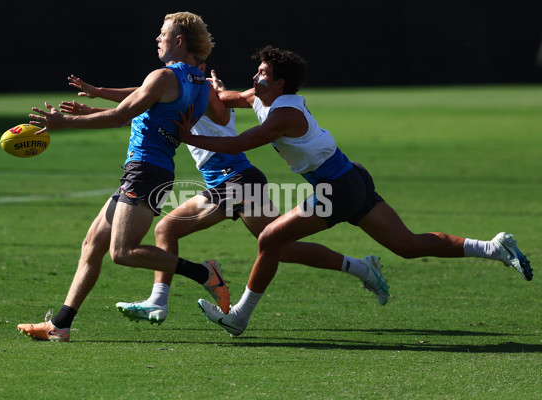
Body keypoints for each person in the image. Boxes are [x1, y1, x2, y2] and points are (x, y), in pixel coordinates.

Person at [174, 45, 533, 337]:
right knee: (407, 246)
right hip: (352, 177)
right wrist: (214, 89)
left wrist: (188, 136)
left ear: (280, 83)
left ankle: (239, 317)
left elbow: (238, 144)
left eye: (263, 73)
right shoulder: (264, 97)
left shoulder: (285, 114)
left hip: (337, 189)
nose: (255, 77)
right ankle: (493, 247)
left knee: (269, 240)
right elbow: (235, 97)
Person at [61, 71, 389, 326]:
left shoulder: (199, 92)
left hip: (237, 180)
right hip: (233, 181)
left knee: (167, 230)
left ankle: (159, 302)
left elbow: (145, 99)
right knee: (282, 249)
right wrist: (97, 103)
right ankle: (360, 267)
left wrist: (101, 95)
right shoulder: (189, 93)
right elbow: (146, 110)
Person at [17, 12, 231, 342]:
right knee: (92, 245)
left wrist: (65, 124)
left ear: (178, 40)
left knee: (122, 252)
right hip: (149, 171)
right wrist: (100, 94)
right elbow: (150, 95)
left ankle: (205, 273)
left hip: (145, 171)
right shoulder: (197, 83)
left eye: (163, 33)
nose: (157, 38)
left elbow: (122, 116)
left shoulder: (164, 77)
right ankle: (60, 325)